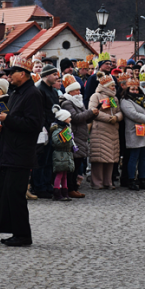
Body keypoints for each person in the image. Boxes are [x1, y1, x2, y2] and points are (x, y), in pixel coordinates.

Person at [0, 56, 43, 247]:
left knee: (16, 195)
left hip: (20, 154)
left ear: (23, 73)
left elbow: (33, 125)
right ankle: (15, 231)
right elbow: (14, 120)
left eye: (12, 73)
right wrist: (2, 126)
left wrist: (8, 120)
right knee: (4, 193)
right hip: (10, 152)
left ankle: (23, 235)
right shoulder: (17, 93)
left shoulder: (32, 94)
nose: (9, 76)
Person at [59, 74, 95, 198]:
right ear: (70, 91)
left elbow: (84, 118)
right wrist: (90, 112)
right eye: (76, 90)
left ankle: (73, 187)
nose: (79, 92)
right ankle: (70, 188)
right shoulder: (67, 102)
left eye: (79, 89)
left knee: (77, 163)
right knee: (72, 165)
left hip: (81, 135)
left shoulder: (78, 101)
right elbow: (75, 118)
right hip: (74, 135)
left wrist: (93, 115)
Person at [88, 72, 123, 189]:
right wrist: (109, 118)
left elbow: (119, 111)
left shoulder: (114, 98)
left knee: (110, 158)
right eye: (112, 85)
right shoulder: (96, 96)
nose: (114, 87)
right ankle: (97, 182)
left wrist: (117, 117)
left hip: (113, 130)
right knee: (99, 158)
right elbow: (92, 111)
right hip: (100, 130)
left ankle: (108, 182)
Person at [120, 78, 145, 191]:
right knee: (133, 157)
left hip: (144, 131)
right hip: (133, 132)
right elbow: (133, 115)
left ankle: (142, 179)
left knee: (143, 158)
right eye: (132, 89)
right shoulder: (125, 101)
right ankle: (131, 180)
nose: (135, 91)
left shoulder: (142, 100)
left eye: (136, 89)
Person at [32, 63, 60, 198]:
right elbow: (39, 110)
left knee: (49, 159)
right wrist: (43, 127)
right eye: (54, 74)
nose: (56, 77)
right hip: (42, 129)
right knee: (40, 159)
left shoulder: (53, 91)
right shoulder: (38, 89)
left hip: (53, 128)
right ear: (46, 75)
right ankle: (38, 187)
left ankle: (47, 184)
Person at [49, 105, 76, 201]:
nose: (70, 119)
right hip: (60, 154)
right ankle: (57, 192)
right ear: (64, 119)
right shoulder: (57, 130)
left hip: (66, 154)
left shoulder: (66, 129)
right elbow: (56, 142)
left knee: (65, 174)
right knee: (59, 174)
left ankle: (65, 192)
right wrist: (64, 139)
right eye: (68, 117)